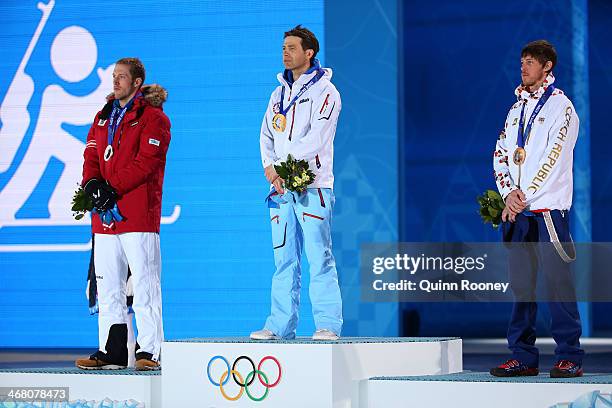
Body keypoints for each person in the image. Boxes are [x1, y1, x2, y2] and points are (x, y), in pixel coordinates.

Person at [490, 40, 584, 378]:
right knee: (521, 286)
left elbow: (554, 159)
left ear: (547, 67)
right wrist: (508, 193)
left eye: (530, 62)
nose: (523, 67)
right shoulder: (515, 110)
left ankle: (569, 354)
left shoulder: (563, 108)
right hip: (520, 211)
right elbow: (501, 153)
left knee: (558, 284)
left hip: (547, 211)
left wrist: (523, 196)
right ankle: (523, 356)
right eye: (522, 62)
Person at [75, 57, 171, 371]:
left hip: (137, 215)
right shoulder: (102, 116)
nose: (115, 81)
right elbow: (90, 154)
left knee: (144, 284)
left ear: (137, 82)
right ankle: (112, 351)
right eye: (114, 76)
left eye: (122, 77)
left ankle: (149, 351)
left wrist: (111, 188)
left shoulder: (154, 118)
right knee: (108, 285)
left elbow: (147, 162)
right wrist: (92, 184)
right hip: (103, 218)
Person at [251, 25, 343, 341]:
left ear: (309, 52)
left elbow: (317, 137)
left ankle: (328, 324)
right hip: (280, 188)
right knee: (283, 259)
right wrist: (270, 168)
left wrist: (286, 169)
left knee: (319, 256)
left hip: (313, 185)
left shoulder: (326, 92)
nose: (285, 52)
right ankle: (279, 325)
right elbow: (265, 135)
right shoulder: (278, 94)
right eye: (283, 47)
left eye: (292, 47)